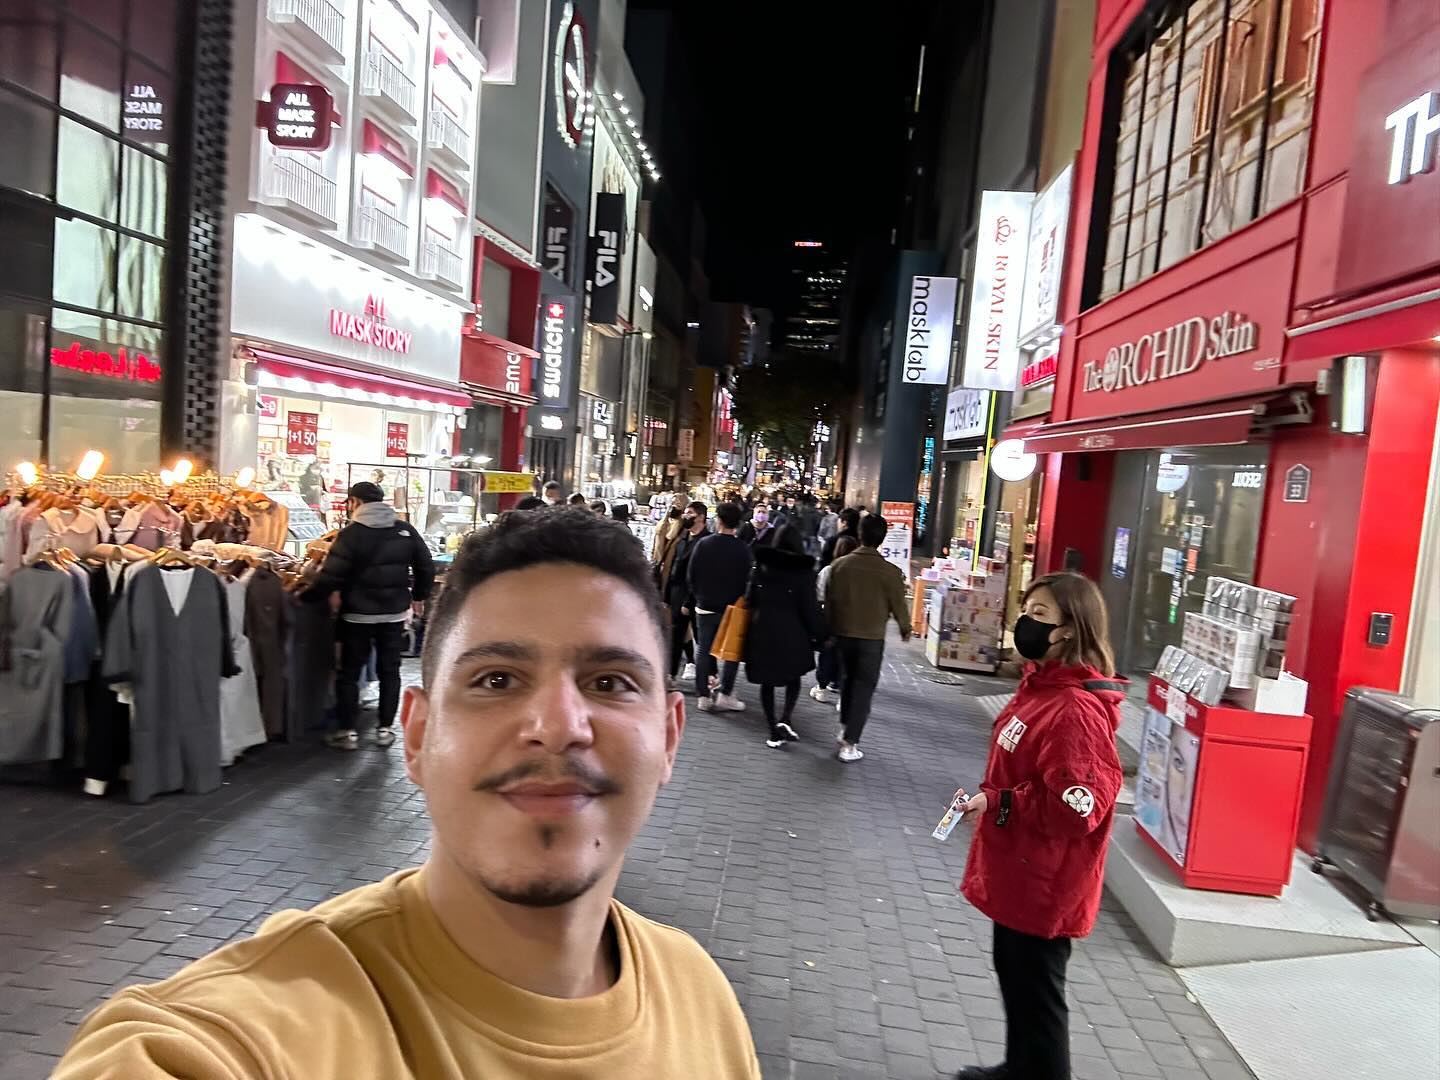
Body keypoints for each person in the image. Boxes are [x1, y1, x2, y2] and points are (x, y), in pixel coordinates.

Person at [56, 509, 761, 1079]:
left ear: (669, 738)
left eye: (610, 682)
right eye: (496, 680)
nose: (557, 728)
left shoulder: (698, 995)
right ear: (418, 737)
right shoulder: (241, 1039)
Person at [954, 573, 1125, 1080]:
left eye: (1041, 615)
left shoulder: (1073, 709)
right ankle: (1020, 1068)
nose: (1025, 621)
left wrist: (1001, 803)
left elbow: (1077, 808)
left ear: (1070, 629)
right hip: (1019, 869)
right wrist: (993, 801)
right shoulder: (1040, 688)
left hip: (1044, 879)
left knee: (1037, 992)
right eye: (1026, 609)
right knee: (1018, 979)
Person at [302, 482, 435, 751]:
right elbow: (426, 566)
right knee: (390, 670)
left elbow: (331, 576)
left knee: (349, 672)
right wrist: (418, 595)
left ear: (354, 502)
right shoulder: (404, 530)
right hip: (393, 614)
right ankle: (385, 729)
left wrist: (306, 598)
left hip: (357, 615)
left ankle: (347, 732)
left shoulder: (351, 534)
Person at [824, 513, 912, 763]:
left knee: (847, 681)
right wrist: (906, 628)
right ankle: (850, 743)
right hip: (871, 639)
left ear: (859, 535)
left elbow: (830, 603)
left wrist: (828, 631)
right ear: (882, 538)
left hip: (842, 634)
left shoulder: (839, 566)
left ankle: (844, 728)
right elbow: (899, 605)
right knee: (863, 687)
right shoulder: (890, 572)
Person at [743, 524, 825, 748]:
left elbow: (749, 599)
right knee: (793, 676)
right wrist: (820, 635)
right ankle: (786, 717)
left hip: (763, 631)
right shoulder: (804, 572)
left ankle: (772, 730)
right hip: (793, 633)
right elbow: (810, 608)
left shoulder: (762, 566)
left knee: (766, 682)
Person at [686, 502, 752, 713]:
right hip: (732, 608)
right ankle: (725, 694)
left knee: (704, 650)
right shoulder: (743, 549)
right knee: (731, 652)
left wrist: (698, 596)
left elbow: (691, 575)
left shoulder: (704, 544)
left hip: (705, 605)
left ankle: (703, 696)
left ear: (719, 520)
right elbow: (747, 581)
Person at [663, 502, 709, 689]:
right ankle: (671, 674)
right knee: (675, 635)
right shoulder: (683, 538)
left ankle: (708, 677)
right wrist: (667, 596)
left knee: (702, 639)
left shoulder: (706, 542)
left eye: (690, 513)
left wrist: (689, 600)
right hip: (677, 592)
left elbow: (702, 574)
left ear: (701, 517)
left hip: (696, 596)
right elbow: (673, 568)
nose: (686, 516)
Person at [811, 534, 860, 703]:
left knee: (827, 654)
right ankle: (841, 694)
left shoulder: (828, 570)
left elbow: (819, 594)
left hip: (830, 619)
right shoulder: (858, 573)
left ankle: (821, 688)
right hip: (852, 620)